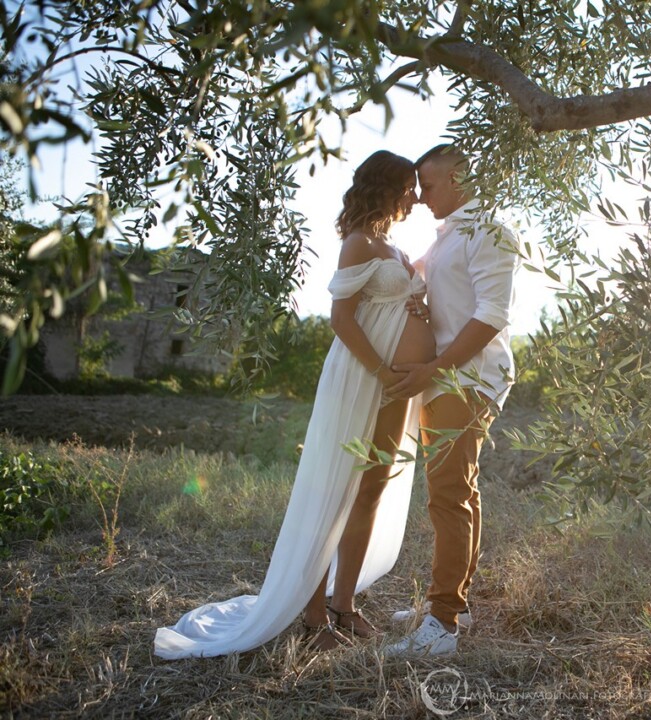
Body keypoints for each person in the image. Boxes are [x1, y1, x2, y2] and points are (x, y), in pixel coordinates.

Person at [154, 150, 435, 658]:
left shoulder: (394, 247)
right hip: (362, 376)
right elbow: (341, 320)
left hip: (397, 386)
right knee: (335, 490)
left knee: (373, 485)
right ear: (386, 187)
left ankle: (345, 605)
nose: (415, 196)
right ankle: (310, 613)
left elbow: (397, 303)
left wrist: (417, 306)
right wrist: (380, 370)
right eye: (409, 187)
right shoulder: (358, 243)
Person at [383, 144, 520, 657]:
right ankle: (455, 605)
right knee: (461, 490)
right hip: (447, 379)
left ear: (460, 179)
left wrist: (433, 370)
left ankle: (441, 626)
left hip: (467, 380)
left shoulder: (490, 231)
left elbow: (491, 316)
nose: (420, 196)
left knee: (446, 496)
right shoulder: (448, 236)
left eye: (429, 184)